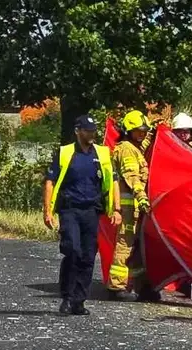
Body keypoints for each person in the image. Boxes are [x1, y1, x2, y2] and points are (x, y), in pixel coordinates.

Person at [43, 114, 122, 315]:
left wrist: (117, 209)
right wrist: (47, 211)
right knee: (73, 250)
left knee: (87, 256)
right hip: (70, 209)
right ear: (78, 131)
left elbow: (113, 181)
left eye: (94, 131)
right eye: (87, 131)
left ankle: (79, 300)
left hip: (91, 211)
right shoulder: (65, 153)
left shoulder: (102, 154)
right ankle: (67, 297)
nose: (92, 134)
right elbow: (50, 182)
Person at [108, 110, 160, 302]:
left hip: (136, 208)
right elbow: (133, 178)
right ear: (128, 131)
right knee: (125, 244)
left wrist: (155, 132)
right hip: (129, 207)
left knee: (137, 247)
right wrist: (142, 198)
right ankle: (116, 286)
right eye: (138, 130)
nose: (142, 134)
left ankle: (142, 286)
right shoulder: (127, 150)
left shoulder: (133, 146)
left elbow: (142, 145)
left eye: (144, 130)